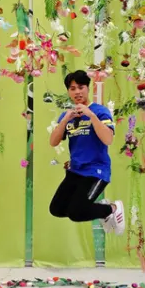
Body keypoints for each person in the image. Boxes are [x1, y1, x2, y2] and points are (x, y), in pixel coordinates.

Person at [48, 70, 125, 234]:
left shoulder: (100, 111)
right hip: (75, 171)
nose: (77, 92)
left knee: (76, 212)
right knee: (57, 209)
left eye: (81, 87)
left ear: (88, 88)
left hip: (96, 171)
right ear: (68, 91)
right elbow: (53, 142)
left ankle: (112, 208)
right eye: (72, 88)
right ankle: (104, 211)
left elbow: (108, 139)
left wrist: (91, 116)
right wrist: (64, 121)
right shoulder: (67, 115)